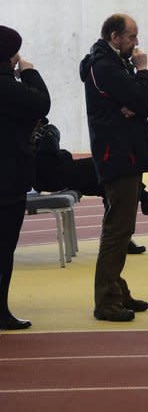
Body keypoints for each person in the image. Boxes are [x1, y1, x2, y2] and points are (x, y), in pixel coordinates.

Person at [79, 14, 148, 322]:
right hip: (117, 155)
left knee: (123, 228)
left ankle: (117, 290)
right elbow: (141, 98)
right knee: (117, 230)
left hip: (125, 152)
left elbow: (147, 103)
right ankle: (106, 300)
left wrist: (140, 100)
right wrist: (143, 71)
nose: (136, 43)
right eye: (131, 37)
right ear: (115, 37)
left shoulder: (112, 64)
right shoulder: (105, 66)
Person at [32, 121, 148, 254]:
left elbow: (51, 148)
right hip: (49, 176)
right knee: (106, 169)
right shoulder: (23, 133)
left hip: (54, 172)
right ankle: (144, 203)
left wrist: (49, 135)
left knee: (107, 182)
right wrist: (50, 134)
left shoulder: (33, 133)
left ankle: (121, 238)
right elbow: (48, 154)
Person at [0, 25, 50, 330]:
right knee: (4, 248)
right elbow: (42, 103)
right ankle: (1, 310)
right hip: (8, 180)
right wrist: (28, 71)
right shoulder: (11, 87)